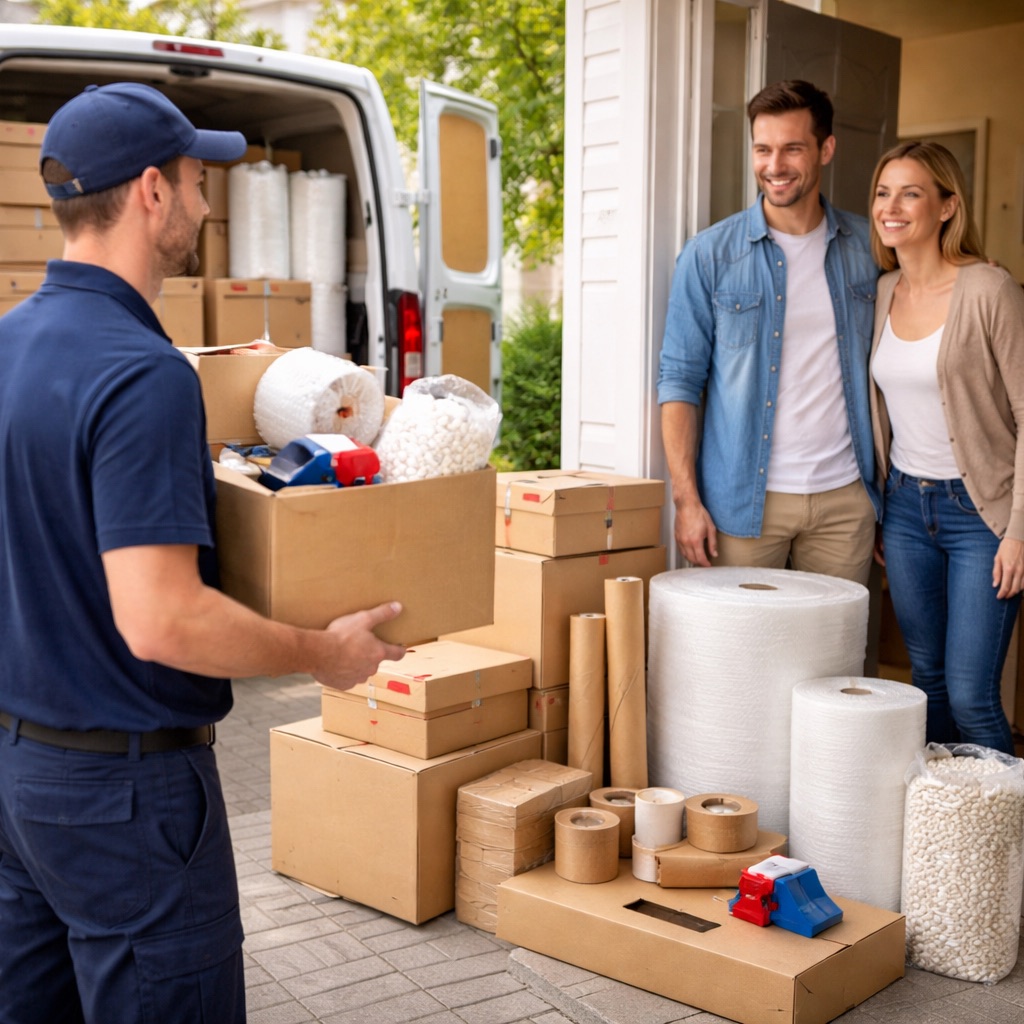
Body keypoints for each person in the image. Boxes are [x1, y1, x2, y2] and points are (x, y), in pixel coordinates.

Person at [0, 83, 405, 1024]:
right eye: (195, 179)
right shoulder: (141, 373)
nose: (206, 202)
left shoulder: (10, 343)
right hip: (128, 796)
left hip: (21, 778)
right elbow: (163, 619)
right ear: (152, 191)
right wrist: (322, 653)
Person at [657, 80, 880, 585]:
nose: (774, 165)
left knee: (834, 636)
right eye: (763, 149)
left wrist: (976, 272)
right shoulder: (709, 255)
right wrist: (686, 500)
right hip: (742, 504)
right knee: (743, 637)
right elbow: (679, 381)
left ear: (826, 149)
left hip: (845, 501)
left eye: (792, 148)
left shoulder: (869, 249)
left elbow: (931, 291)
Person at [868, 140, 1024, 755]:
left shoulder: (988, 288)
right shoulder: (883, 291)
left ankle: (1002, 818)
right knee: (926, 684)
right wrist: (883, 509)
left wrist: (1018, 532)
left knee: (971, 694)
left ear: (947, 206)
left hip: (982, 516)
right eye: (883, 193)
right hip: (906, 511)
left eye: (910, 193)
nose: (891, 207)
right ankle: (941, 813)